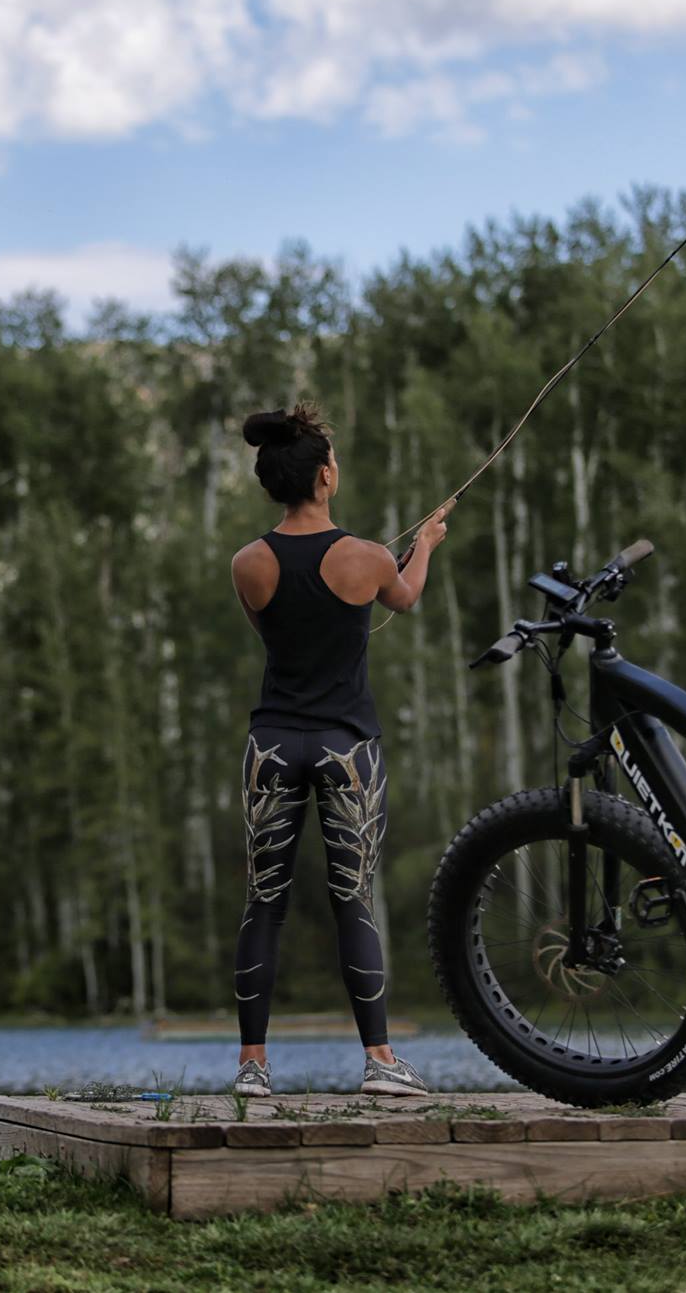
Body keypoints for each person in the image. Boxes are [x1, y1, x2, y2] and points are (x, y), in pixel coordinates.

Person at [227, 402, 451, 1099]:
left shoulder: (247, 563)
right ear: (325, 476)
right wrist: (429, 543)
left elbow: (278, 629)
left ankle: (252, 1069)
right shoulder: (368, 557)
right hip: (347, 745)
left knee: (264, 900)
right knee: (352, 898)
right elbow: (404, 597)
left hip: (271, 743)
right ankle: (381, 1062)